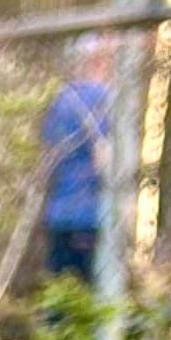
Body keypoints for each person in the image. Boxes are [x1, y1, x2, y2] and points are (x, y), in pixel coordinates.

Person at [40, 41, 114, 291]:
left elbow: (50, 145)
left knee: (61, 292)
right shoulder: (105, 101)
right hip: (92, 213)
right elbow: (108, 159)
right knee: (91, 293)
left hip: (60, 213)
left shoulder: (62, 100)